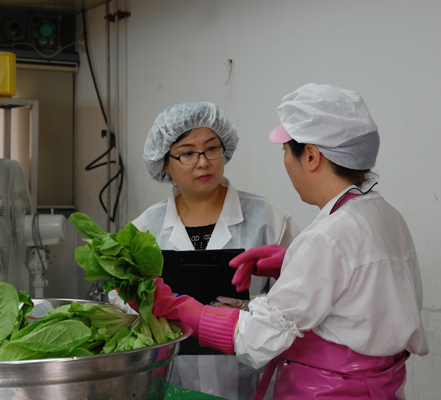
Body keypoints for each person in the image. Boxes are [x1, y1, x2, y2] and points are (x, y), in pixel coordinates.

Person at [138, 84, 429, 399]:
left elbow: (256, 338)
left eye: (286, 151)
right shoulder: (384, 214)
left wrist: (179, 309)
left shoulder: (327, 237)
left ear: (312, 156)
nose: (203, 162)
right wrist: (293, 262)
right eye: (187, 153)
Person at [109, 101, 300, 399]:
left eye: (212, 149)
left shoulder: (269, 219)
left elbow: (299, 296)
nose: (203, 162)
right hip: (173, 377)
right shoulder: (144, 227)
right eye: (187, 153)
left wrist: (253, 307)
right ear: (165, 163)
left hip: (249, 375)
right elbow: (119, 298)